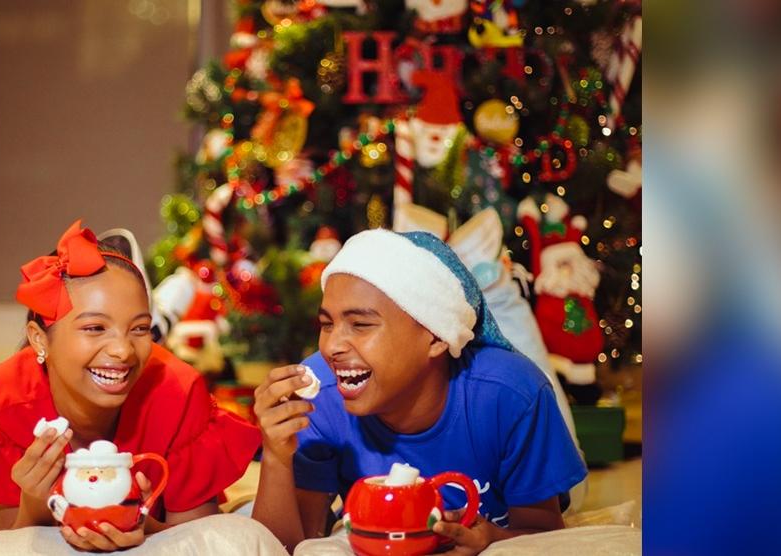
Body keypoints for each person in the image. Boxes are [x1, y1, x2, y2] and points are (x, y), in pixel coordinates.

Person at [251, 229, 586, 554]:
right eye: (327, 324)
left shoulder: (511, 394)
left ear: (436, 336)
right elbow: (293, 546)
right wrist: (277, 457)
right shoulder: (320, 395)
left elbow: (543, 535)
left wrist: (493, 539)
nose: (331, 346)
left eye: (361, 324)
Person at [0, 220, 261, 552]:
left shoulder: (178, 394)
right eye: (95, 328)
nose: (123, 351)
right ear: (39, 339)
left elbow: (200, 541)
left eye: (139, 329)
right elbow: (13, 540)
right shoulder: (7, 398)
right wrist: (33, 501)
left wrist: (146, 527)